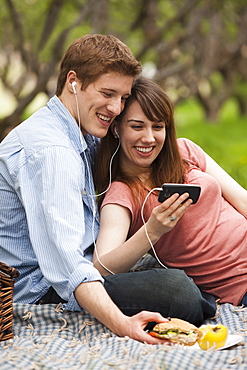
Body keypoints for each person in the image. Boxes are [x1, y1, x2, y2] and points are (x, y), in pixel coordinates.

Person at [0, 35, 214, 343]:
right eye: (107, 93)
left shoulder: (79, 131)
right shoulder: (51, 152)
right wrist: (122, 324)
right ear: (73, 81)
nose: (116, 108)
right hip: (42, 290)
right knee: (176, 291)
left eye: (123, 97)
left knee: (171, 270)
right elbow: (67, 267)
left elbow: (135, 146)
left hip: (84, 266)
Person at [93, 76, 247, 308]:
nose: (149, 138)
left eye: (158, 127)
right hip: (239, 283)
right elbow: (101, 267)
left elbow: (241, 199)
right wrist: (152, 231)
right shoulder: (121, 193)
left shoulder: (184, 149)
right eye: (137, 126)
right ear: (116, 128)